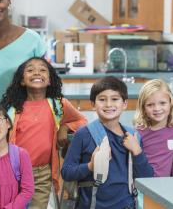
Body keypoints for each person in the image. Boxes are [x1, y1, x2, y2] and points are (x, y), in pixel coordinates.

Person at [0, 57, 87, 208]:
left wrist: (64, 128)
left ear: (49, 80)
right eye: (30, 70)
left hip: (43, 173)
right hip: (14, 170)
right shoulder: (12, 108)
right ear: (21, 81)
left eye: (42, 70)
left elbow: (82, 122)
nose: (36, 73)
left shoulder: (58, 104)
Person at [61, 76, 153, 209]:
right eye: (102, 99)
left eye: (115, 99)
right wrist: (91, 166)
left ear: (125, 104)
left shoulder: (133, 137)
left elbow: (146, 178)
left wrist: (137, 151)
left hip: (126, 205)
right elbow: (66, 172)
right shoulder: (84, 134)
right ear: (93, 104)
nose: (109, 104)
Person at [134, 79, 173, 177]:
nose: (157, 109)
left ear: (171, 103)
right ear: (143, 107)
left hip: (165, 185)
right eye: (150, 105)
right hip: (143, 184)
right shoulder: (138, 132)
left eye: (162, 103)